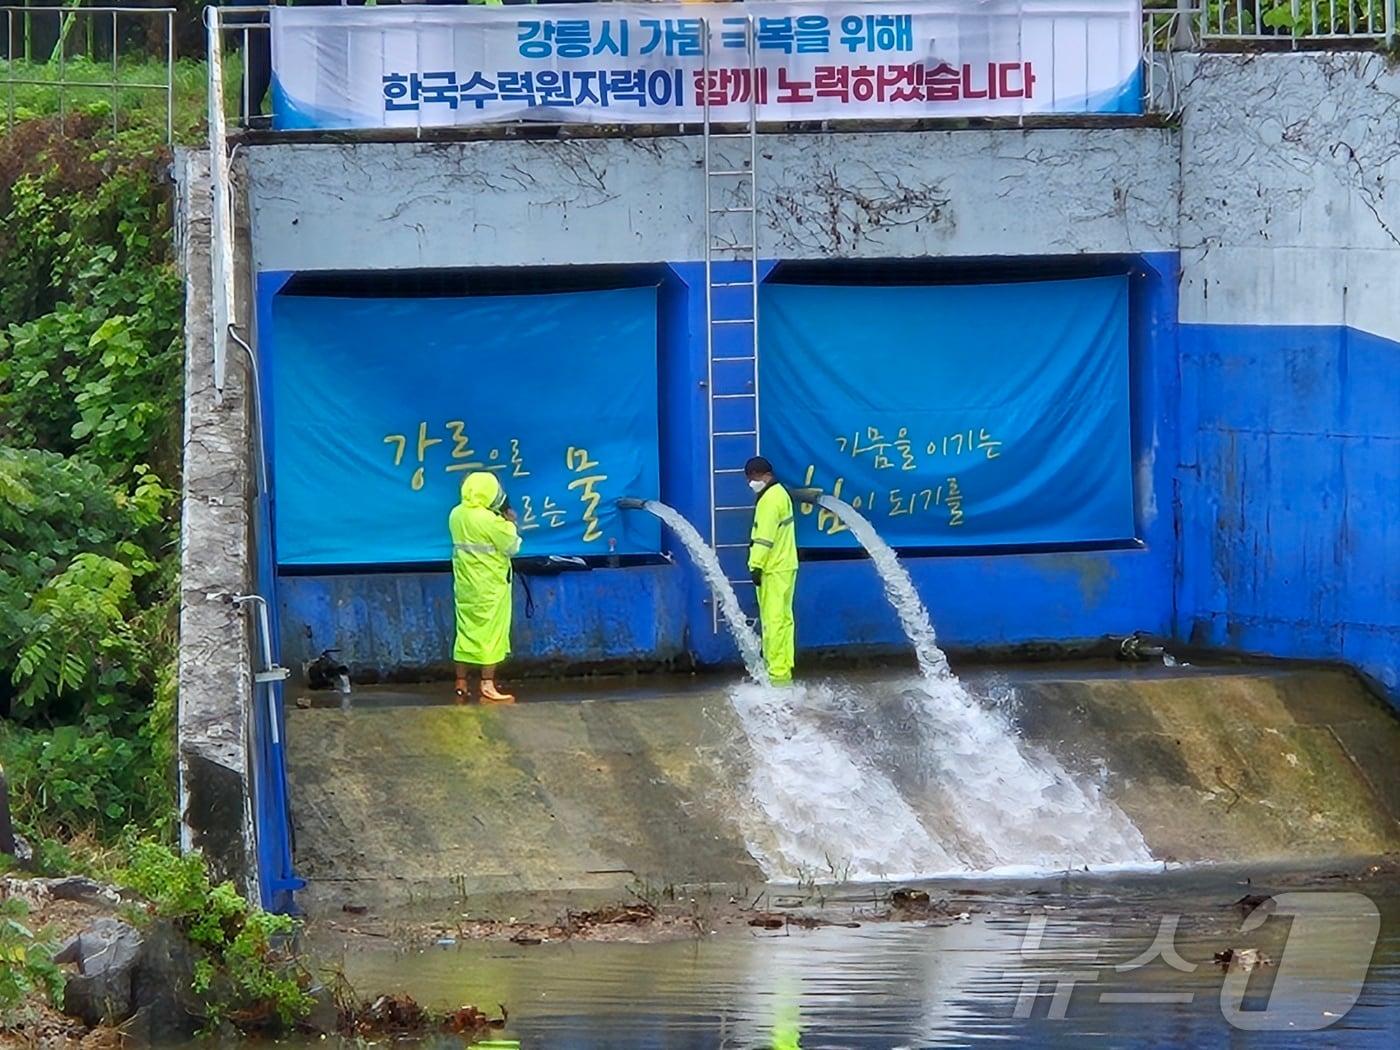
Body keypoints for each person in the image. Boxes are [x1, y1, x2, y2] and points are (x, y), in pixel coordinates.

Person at [448, 471, 521, 703]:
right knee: (491, 634)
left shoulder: (456, 514)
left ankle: (460, 682)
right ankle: (487, 685)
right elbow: (512, 546)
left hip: (465, 583)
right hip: (489, 585)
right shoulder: (491, 521)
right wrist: (510, 523)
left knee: (465, 631)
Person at [745, 456, 798, 684]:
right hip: (786, 565)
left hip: (772, 568)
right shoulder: (782, 494)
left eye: (751, 478)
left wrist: (755, 565)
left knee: (773, 622)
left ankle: (775, 675)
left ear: (760, 475)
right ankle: (783, 671)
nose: (751, 483)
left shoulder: (768, 501)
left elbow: (764, 538)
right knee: (785, 621)